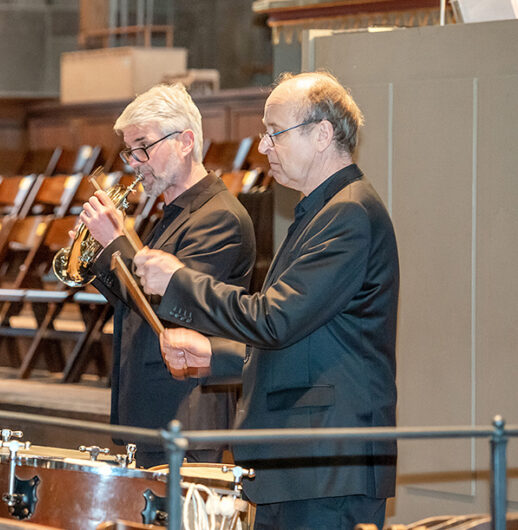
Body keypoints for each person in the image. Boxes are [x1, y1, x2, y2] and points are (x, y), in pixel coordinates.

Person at [134, 71, 399, 529]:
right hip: (300, 463)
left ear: (321, 134)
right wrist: (214, 354)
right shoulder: (322, 210)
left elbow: (274, 319)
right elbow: (301, 339)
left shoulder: (348, 213)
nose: (263, 147)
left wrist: (179, 280)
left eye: (274, 132)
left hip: (325, 466)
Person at [76, 83, 256, 467]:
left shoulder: (219, 218)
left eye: (144, 146)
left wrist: (117, 240)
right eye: (129, 150)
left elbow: (172, 310)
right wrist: (98, 254)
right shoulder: (171, 214)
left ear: (186, 141)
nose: (135, 161)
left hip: (184, 412)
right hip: (148, 409)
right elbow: (133, 302)